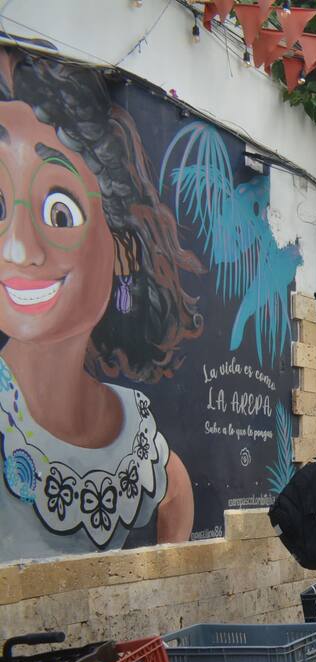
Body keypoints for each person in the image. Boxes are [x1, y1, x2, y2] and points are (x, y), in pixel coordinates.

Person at [0, 50, 201, 560]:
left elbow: (175, 493)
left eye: (59, 210)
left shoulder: (136, 430)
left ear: (123, 250)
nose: (18, 248)